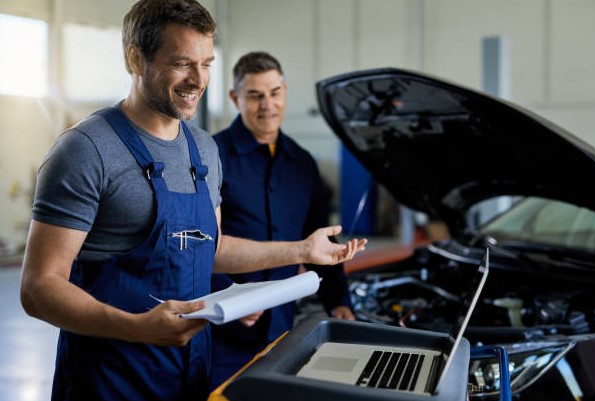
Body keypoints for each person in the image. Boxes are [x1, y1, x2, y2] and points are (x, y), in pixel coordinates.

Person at [18, 1, 366, 400]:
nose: (198, 80)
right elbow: (39, 287)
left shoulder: (202, 149)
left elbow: (211, 247)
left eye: (207, 64)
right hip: (112, 379)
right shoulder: (85, 150)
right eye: (182, 63)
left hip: (191, 374)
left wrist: (301, 249)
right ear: (135, 58)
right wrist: (137, 327)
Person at [209, 51, 355, 390]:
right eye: (254, 95)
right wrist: (225, 298)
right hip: (222, 331)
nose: (267, 105)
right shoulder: (211, 157)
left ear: (285, 91)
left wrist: (338, 300)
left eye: (274, 92)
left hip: (282, 329)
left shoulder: (302, 163)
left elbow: (320, 239)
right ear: (235, 98)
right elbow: (197, 246)